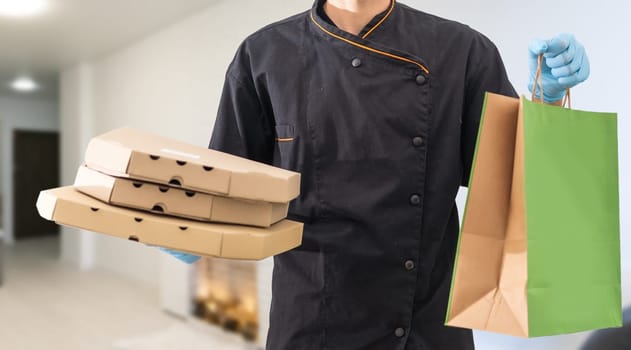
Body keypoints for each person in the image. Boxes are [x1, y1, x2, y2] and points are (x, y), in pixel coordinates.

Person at [161, 0, 591, 349]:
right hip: (312, 318)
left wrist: (543, 101)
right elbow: (230, 184)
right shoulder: (263, 54)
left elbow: (509, 181)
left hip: (424, 320)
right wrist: (189, 230)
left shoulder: (462, 50)